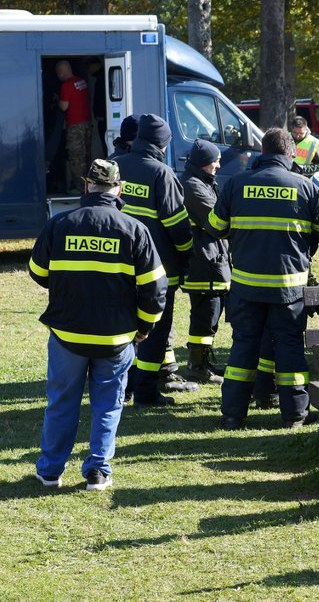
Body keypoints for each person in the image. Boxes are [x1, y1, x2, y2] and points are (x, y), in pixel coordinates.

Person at [29, 158, 167, 490]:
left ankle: (49, 471)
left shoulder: (59, 224)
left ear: (87, 185)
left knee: (62, 402)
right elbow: (155, 288)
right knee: (108, 405)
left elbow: (38, 273)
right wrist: (145, 328)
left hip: (67, 335)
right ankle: (98, 471)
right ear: (118, 189)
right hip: (116, 338)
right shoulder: (135, 229)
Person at [206, 128, 319, 430]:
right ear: (291, 154)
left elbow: (215, 226)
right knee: (289, 347)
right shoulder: (305, 187)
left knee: (243, 348)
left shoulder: (236, 184)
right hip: (288, 289)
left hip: (246, 285)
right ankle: (295, 415)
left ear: (262, 151)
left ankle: (232, 416)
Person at [115, 114, 195, 406]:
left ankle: (123, 389)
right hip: (157, 270)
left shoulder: (116, 165)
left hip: (119, 267)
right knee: (154, 331)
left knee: (122, 329)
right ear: (163, 143)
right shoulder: (162, 174)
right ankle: (145, 393)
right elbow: (178, 226)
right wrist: (187, 253)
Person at [179, 139, 230, 385]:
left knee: (211, 312)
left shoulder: (202, 181)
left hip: (211, 257)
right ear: (202, 163)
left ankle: (203, 363)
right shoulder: (191, 186)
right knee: (205, 314)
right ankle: (197, 367)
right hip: (202, 260)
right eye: (215, 161)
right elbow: (215, 219)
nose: (218, 166)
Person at [56, 60, 93, 194]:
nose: (58, 75)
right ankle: (89, 186)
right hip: (87, 123)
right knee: (86, 156)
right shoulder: (82, 82)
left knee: (76, 157)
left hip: (75, 126)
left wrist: (57, 101)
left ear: (62, 71)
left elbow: (64, 106)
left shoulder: (66, 85)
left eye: (58, 71)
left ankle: (80, 188)